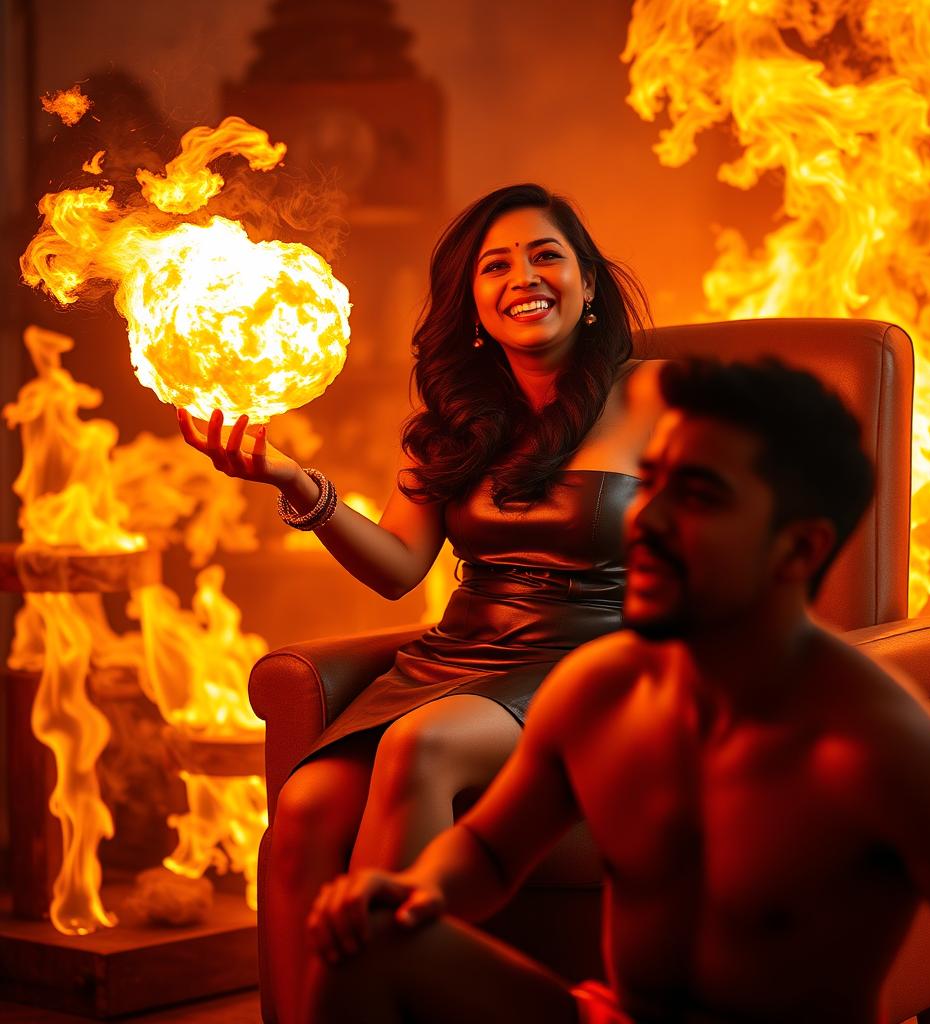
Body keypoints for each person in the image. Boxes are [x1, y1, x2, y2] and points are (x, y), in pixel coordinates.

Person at [301, 358, 930, 1024]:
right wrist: (420, 886)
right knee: (368, 934)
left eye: (700, 496)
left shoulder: (874, 745)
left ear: (799, 547)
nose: (645, 519)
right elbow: (489, 854)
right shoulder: (598, 690)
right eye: (651, 483)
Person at [177, 183, 667, 1023]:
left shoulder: (659, 397)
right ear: (473, 303)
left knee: (420, 746)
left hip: (594, 659)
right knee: (302, 809)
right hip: (461, 652)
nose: (525, 276)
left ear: (588, 285)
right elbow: (402, 565)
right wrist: (295, 482)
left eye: (547, 255)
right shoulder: (454, 420)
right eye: (496, 264)